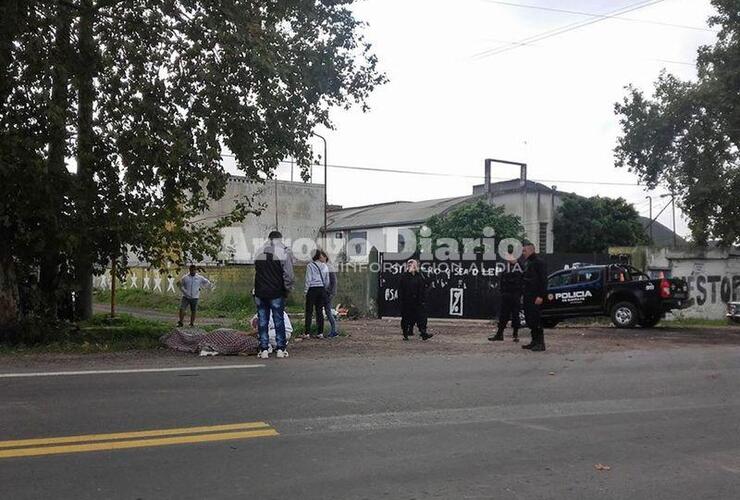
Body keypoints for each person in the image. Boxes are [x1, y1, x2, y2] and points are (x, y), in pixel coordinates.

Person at [254, 230, 295, 359]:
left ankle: (264, 349)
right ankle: (280, 349)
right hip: (276, 292)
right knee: (278, 320)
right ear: (280, 239)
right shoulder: (284, 252)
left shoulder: (259, 251)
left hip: (260, 291)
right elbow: (288, 275)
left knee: (263, 321)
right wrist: (287, 289)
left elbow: (257, 270)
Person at [521, 240, 547, 352]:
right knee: (530, 319)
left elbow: (543, 280)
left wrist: (541, 296)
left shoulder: (538, 262)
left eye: (524, 250)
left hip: (535, 296)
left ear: (531, 250)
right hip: (528, 295)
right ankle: (534, 341)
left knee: (536, 320)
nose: (523, 253)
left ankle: (540, 343)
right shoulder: (527, 263)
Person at [489, 256, 523, 342]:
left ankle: (515, 335)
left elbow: (522, 281)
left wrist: (520, 293)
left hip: (515, 295)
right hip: (507, 295)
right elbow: (502, 280)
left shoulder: (520, 268)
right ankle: (499, 334)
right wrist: (503, 292)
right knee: (503, 315)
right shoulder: (506, 267)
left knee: (515, 315)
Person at [398, 259, 433, 341]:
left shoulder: (419, 276)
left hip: (418, 301)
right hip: (407, 301)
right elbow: (401, 289)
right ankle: (405, 333)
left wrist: (423, 296)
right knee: (406, 318)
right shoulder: (404, 277)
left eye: (414, 265)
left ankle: (423, 332)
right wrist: (401, 301)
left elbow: (424, 286)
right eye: (411, 265)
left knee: (421, 317)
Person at [304, 249, 330, 339]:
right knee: (319, 311)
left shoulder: (310, 266)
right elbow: (327, 281)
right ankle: (320, 333)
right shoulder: (325, 266)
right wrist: (323, 288)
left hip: (312, 289)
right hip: (321, 289)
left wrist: (306, 291)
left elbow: (308, 279)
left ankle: (307, 333)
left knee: (309, 311)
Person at [320, 251, 339, 338]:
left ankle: (334, 330)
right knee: (327, 311)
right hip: (325, 292)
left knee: (328, 311)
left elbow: (334, 281)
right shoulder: (323, 267)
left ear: (325, 257)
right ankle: (333, 330)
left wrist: (331, 293)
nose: (320, 259)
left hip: (329, 293)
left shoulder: (329, 267)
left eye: (321, 257)